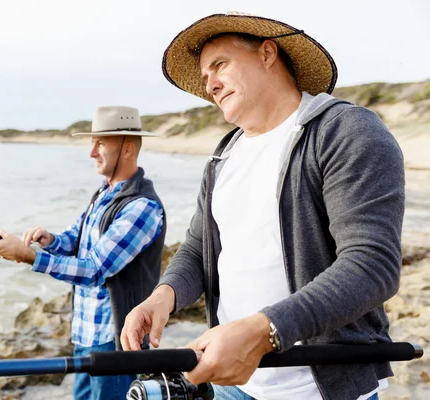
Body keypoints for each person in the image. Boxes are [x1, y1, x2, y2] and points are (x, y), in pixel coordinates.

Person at [121, 11, 404, 400]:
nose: (211, 85)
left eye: (219, 65)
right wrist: (163, 296)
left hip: (320, 388)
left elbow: (372, 266)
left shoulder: (345, 131)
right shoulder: (224, 155)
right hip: (234, 383)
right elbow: (198, 247)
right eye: (205, 77)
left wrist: (264, 330)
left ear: (268, 53)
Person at [0, 105, 166, 400]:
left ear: (128, 148)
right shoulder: (105, 193)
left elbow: (94, 269)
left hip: (114, 340)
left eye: (101, 143)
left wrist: (27, 256)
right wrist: (49, 239)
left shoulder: (142, 207)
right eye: (92, 142)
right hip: (85, 333)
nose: (91, 152)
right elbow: (77, 238)